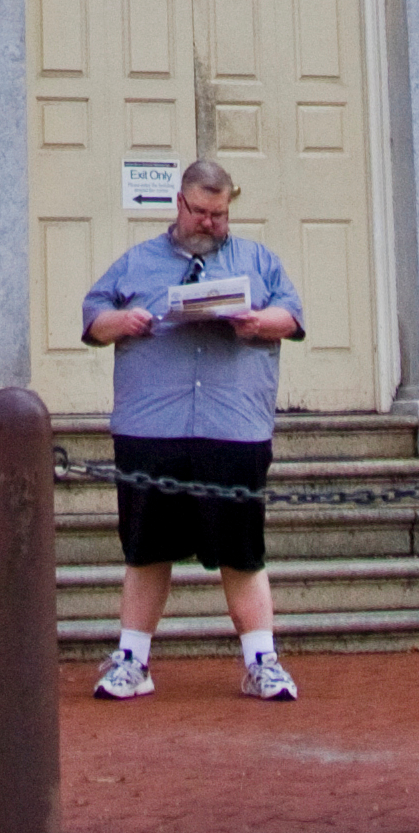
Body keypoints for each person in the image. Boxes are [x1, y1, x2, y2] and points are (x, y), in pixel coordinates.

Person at [80, 157, 308, 702]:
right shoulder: (136, 262)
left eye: (220, 214)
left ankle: (262, 663)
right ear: (179, 203)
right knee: (145, 549)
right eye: (202, 212)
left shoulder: (259, 260)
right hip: (151, 426)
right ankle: (132, 662)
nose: (210, 223)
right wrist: (123, 321)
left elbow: (292, 316)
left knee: (242, 551)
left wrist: (258, 322)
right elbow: (93, 317)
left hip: (234, 427)